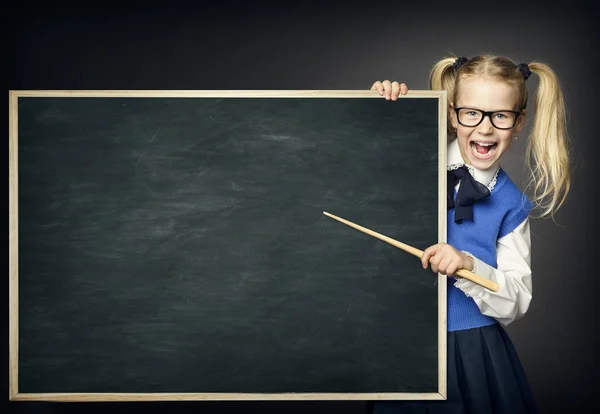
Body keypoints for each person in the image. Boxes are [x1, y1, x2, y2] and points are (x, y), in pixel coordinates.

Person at [367, 54, 571, 414]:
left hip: (472, 353)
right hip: (403, 345)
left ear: (519, 121)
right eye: (471, 113)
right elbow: (354, 162)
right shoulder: (408, 156)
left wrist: (467, 264)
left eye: (501, 116)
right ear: (451, 114)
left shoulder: (512, 204)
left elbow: (517, 300)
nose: (485, 128)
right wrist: (379, 111)